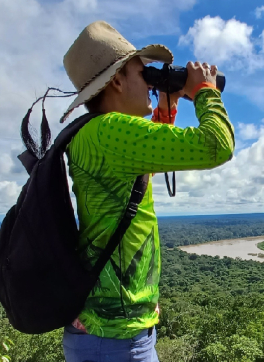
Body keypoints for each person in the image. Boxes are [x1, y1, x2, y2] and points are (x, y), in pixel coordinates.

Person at [59, 20, 235, 361]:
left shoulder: (97, 133)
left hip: (108, 334)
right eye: (146, 74)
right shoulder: (109, 130)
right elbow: (217, 145)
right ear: (118, 80)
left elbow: (144, 169)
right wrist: (205, 91)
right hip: (115, 340)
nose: (152, 82)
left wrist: (167, 104)